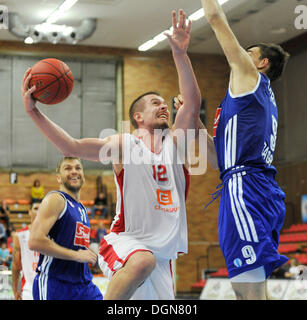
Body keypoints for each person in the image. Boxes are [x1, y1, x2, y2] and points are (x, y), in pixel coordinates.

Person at [21, 10, 202, 300]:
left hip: (164, 256)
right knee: (143, 260)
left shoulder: (175, 145)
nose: (164, 106)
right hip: (127, 242)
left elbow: (192, 103)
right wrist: (33, 111)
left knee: (152, 269)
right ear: (138, 117)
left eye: (164, 103)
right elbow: (72, 147)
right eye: (155, 103)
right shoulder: (124, 145)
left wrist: (181, 54)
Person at [200, 0, 290, 299]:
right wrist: (194, 123)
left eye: (247, 53)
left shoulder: (250, 78)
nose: (239, 55)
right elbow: (217, 161)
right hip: (251, 185)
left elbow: (213, 15)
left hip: (246, 188)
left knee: (249, 290)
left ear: (261, 63)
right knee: (247, 288)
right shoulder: (258, 101)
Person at [28, 157, 102, 300]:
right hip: (56, 284)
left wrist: (86, 255)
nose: (74, 171)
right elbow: (35, 241)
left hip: (84, 285)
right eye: (68, 168)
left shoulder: (81, 208)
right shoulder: (56, 199)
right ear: (59, 178)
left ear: (83, 176)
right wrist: (77, 255)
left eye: (78, 168)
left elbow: (73, 245)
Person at [11, 201, 41, 300]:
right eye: (36, 208)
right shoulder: (19, 235)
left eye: (41, 209)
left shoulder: (53, 234)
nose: (39, 211)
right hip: (29, 288)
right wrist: (15, 290)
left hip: (49, 288)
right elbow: (16, 266)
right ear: (29, 211)